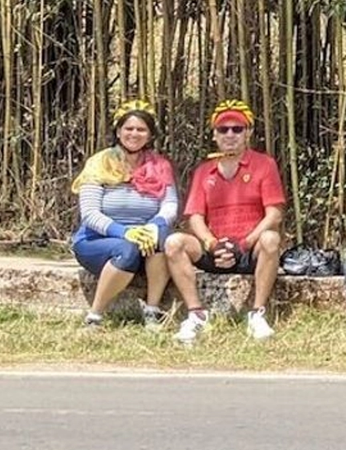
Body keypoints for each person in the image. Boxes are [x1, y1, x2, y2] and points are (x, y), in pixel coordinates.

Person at [165, 99, 286, 342]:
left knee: (271, 239)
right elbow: (195, 216)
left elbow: (274, 214)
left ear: (248, 133)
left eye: (237, 129)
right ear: (214, 135)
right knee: (173, 243)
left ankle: (257, 314)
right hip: (215, 245)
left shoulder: (264, 165)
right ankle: (196, 314)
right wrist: (212, 244)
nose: (230, 135)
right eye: (223, 129)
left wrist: (245, 243)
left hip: (248, 247)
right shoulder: (204, 171)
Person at [70, 99, 178, 328]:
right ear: (118, 131)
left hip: (144, 238)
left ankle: (152, 310)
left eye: (141, 129)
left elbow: (170, 205)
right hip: (97, 241)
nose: (134, 134)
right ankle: (95, 315)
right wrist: (125, 232)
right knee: (126, 249)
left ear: (150, 135)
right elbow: (89, 213)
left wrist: (153, 226)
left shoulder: (160, 165)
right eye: (129, 128)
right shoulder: (100, 163)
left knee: (163, 239)